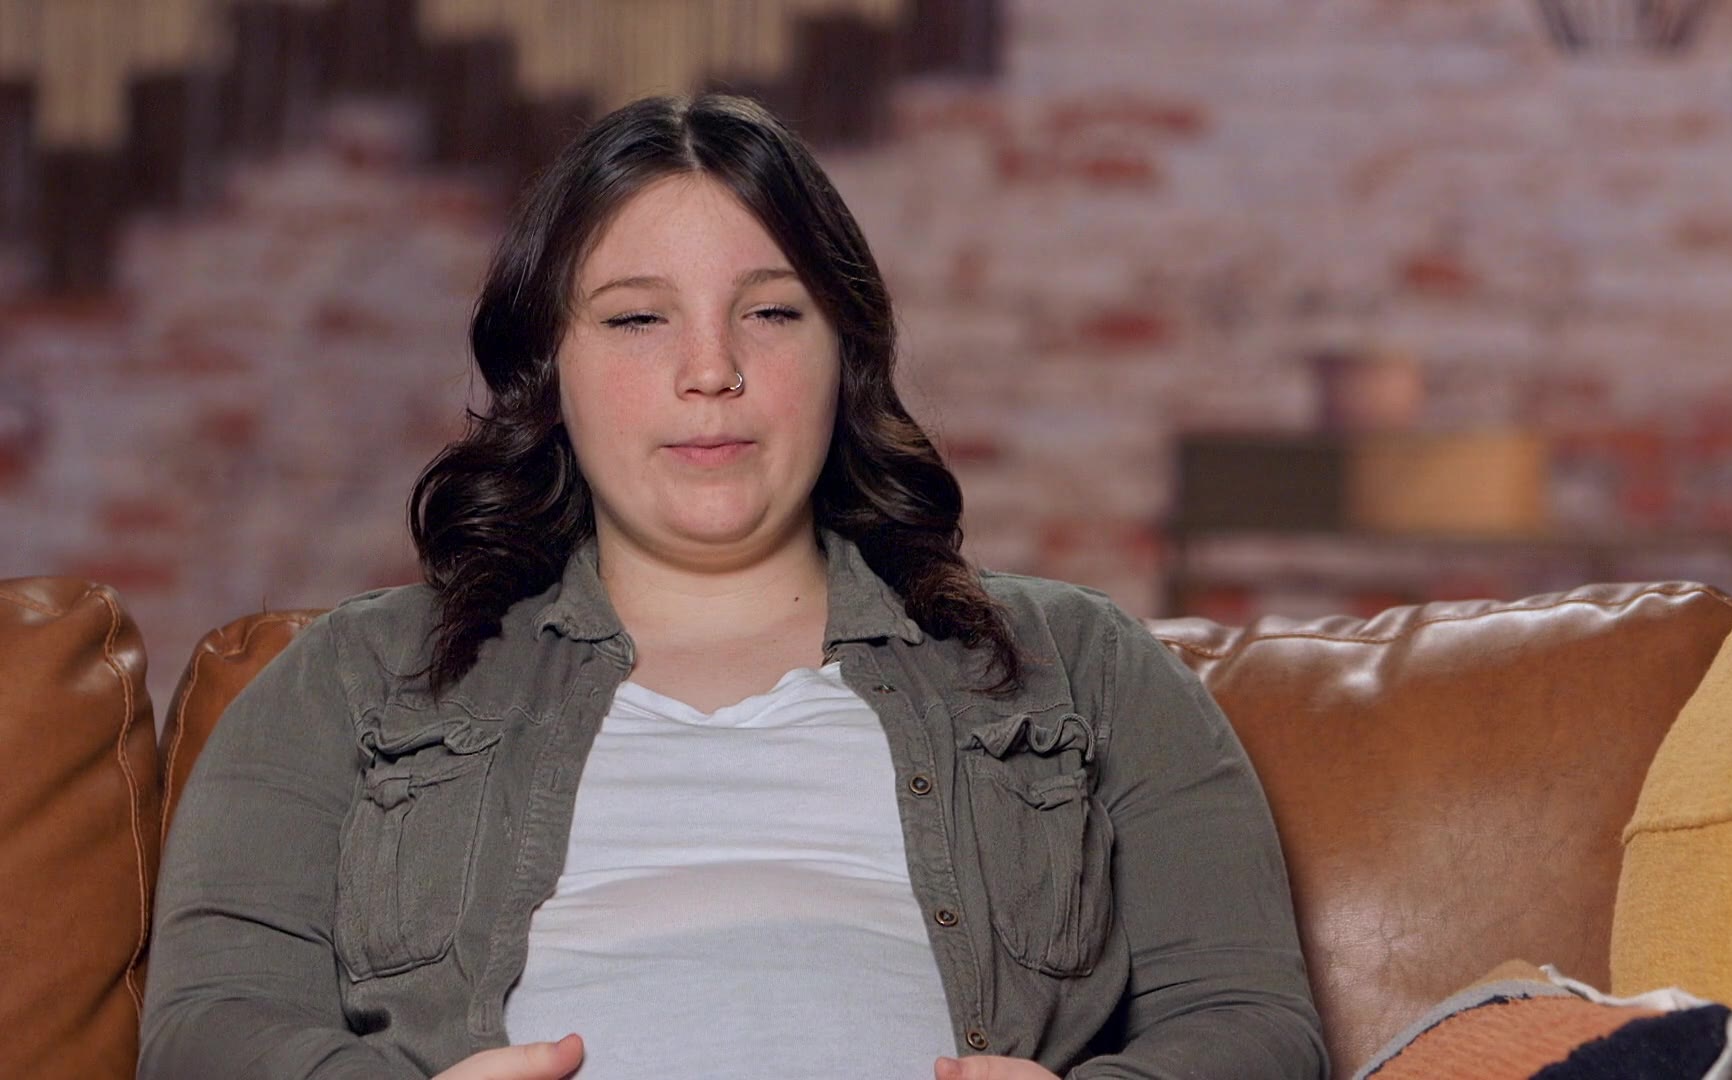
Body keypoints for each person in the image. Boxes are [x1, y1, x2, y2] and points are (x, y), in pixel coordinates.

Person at [138, 93, 1328, 1080]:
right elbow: (208, 1027)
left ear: (845, 352)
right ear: (549, 368)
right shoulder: (352, 683)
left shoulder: (1081, 665)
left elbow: (1252, 1023)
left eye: (769, 311)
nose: (710, 370)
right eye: (637, 318)